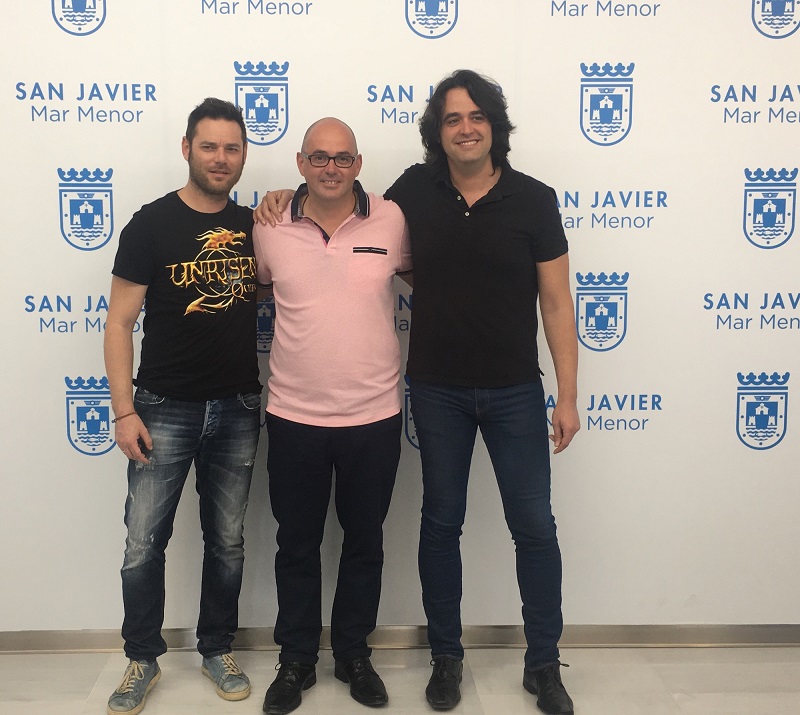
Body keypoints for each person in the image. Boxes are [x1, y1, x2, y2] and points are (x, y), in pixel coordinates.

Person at [256, 69, 579, 715]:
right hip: (436, 390)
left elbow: (556, 300)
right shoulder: (412, 192)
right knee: (439, 525)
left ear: (494, 125)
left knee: (535, 528)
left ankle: (543, 663)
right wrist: (282, 196)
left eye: (477, 115)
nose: (466, 127)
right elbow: (337, 219)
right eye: (453, 117)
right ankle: (444, 658)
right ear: (438, 131)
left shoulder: (534, 199)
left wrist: (567, 395)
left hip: (515, 391)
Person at [104, 97, 261, 715]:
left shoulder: (255, 224)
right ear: (188, 148)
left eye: (232, 148)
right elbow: (119, 323)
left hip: (238, 407)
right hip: (162, 407)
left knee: (227, 541)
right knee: (143, 542)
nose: (221, 158)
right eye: (210, 146)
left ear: (243, 155)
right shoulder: (150, 224)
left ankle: (216, 648)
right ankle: (142, 658)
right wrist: (124, 411)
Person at [254, 118, 411, 715]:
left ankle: (352, 654)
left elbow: (434, 280)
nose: (331, 168)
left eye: (343, 158)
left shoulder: (392, 219)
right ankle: (296, 658)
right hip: (294, 415)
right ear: (300, 163)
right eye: (319, 157)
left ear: (358, 164)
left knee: (364, 542)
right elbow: (252, 290)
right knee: (296, 544)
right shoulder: (268, 225)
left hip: (374, 415)